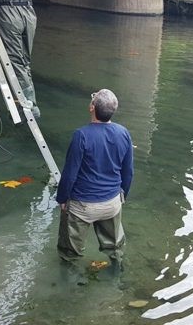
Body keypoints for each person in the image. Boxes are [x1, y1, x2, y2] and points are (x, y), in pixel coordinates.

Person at [56, 89, 133, 264]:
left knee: (70, 252)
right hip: (112, 203)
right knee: (115, 248)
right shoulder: (123, 133)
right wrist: (121, 197)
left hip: (82, 206)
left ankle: (69, 283)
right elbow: (128, 172)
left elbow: (69, 174)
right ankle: (117, 274)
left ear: (92, 107)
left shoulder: (81, 135)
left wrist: (62, 198)